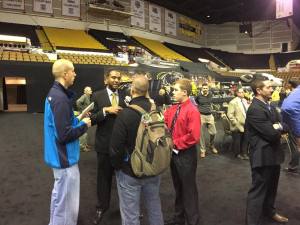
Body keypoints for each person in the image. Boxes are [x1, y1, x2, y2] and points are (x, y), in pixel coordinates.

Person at [110, 75, 164, 225]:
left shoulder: (125, 114)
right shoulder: (156, 111)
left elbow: (116, 147)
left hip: (130, 171)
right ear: (147, 90)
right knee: (154, 207)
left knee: (130, 214)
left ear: (132, 90)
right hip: (153, 168)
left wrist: (118, 168)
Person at [44, 59, 91, 225]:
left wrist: (78, 119)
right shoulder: (60, 98)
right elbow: (64, 135)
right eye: (73, 71)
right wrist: (84, 125)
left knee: (60, 201)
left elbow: (60, 126)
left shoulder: (55, 94)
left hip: (60, 158)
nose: (75, 74)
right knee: (65, 206)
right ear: (65, 74)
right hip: (64, 160)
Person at [245, 79, 288, 225]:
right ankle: (252, 221)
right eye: (269, 87)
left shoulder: (268, 105)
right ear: (259, 90)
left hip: (274, 154)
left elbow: (284, 124)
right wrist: (277, 127)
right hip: (262, 156)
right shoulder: (255, 109)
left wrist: (278, 126)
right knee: (258, 191)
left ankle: (270, 212)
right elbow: (271, 133)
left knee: (272, 187)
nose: (272, 89)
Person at [90, 70, 126, 225]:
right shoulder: (97, 96)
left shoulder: (126, 96)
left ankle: (127, 208)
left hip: (123, 146)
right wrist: (106, 110)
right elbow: (92, 119)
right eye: (113, 77)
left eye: (118, 78)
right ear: (106, 79)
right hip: (104, 145)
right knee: (103, 178)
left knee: (124, 179)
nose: (116, 80)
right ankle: (101, 207)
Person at [164, 79, 201, 225]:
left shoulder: (192, 110)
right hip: (174, 154)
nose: (172, 92)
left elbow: (194, 136)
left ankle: (193, 221)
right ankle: (179, 219)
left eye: (175, 90)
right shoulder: (173, 109)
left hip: (186, 155)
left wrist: (174, 143)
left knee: (189, 189)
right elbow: (165, 122)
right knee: (178, 187)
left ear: (184, 92)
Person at [281, 80, 300, 173]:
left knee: (296, 147)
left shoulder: (296, 93)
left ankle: (293, 167)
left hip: (296, 126)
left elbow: (287, 108)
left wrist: (297, 131)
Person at [195, 83, 218, 158]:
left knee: (213, 132)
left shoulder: (210, 94)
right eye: (204, 88)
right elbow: (196, 101)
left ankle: (211, 145)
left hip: (210, 115)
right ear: (202, 89)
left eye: (206, 88)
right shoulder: (198, 96)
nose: (205, 89)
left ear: (208, 89)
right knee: (201, 134)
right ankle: (203, 150)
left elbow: (210, 102)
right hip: (201, 116)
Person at [227, 88, 249, 160]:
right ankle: (237, 154)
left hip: (246, 123)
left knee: (245, 140)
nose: (243, 93)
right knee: (237, 141)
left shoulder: (245, 101)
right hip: (237, 125)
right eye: (241, 92)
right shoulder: (233, 102)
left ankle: (244, 153)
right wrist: (235, 122)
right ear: (237, 93)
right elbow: (230, 114)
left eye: (243, 92)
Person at [76, 86, 93, 151]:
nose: (91, 91)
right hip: (83, 115)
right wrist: (83, 110)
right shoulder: (84, 96)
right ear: (86, 91)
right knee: (83, 131)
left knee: (84, 130)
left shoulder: (87, 97)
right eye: (90, 90)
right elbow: (78, 102)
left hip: (85, 115)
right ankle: (82, 147)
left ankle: (84, 144)